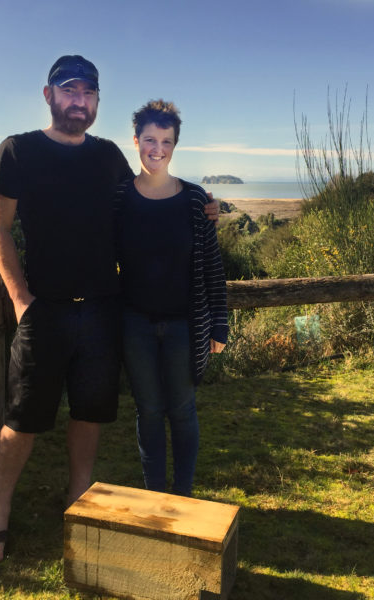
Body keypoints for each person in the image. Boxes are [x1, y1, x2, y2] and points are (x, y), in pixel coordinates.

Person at [0, 57, 218, 565]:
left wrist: (201, 204)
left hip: (105, 310)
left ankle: (77, 504)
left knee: (90, 415)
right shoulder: (18, 151)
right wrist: (22, 301)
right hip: (44, 311)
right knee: (23, 418)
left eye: (88, 93)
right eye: (70, 91)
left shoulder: (107, 156)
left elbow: (148, 194)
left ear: (97, 102)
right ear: (49, 95)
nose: (79, 101)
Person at [115, 100, 228, 497]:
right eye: (149, 139)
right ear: (136, 141)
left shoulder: (196, 200)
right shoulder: (119, 199)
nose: (156, 148)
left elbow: (213, 266)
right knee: (147, 411)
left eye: (165, 140)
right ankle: (155, 495)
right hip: (134, 325)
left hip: (185, 325)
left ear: (175, 145)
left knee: (181, 409)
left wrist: (220, 323)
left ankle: (182, 496)